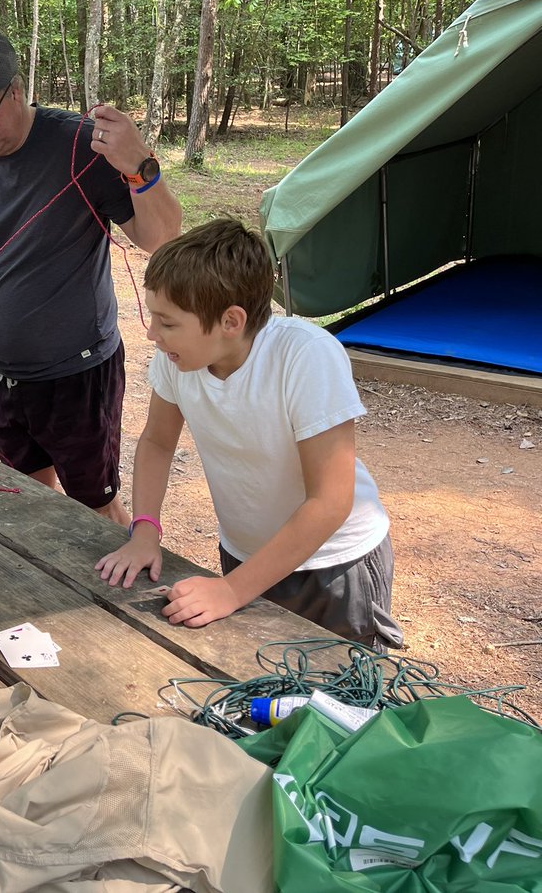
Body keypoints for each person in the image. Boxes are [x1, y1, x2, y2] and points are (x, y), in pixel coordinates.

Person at [0, 28, 182, 526]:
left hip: (78, 375)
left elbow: (160, 237)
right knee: (30, 497)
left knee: (95, 509)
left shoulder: (81, 145)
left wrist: (141, 167)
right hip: (4, 374)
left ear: (14, 90)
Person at [96, 219, 403, 650]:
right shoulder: (177, 359)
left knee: (343, 702)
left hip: (334, 565)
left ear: (230, 321)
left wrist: (233, 590)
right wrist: (145, 529)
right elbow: (157, 442)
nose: (151, 334)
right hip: (244, 555)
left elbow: (331, 501)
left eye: (166, 322)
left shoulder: (305, 356)